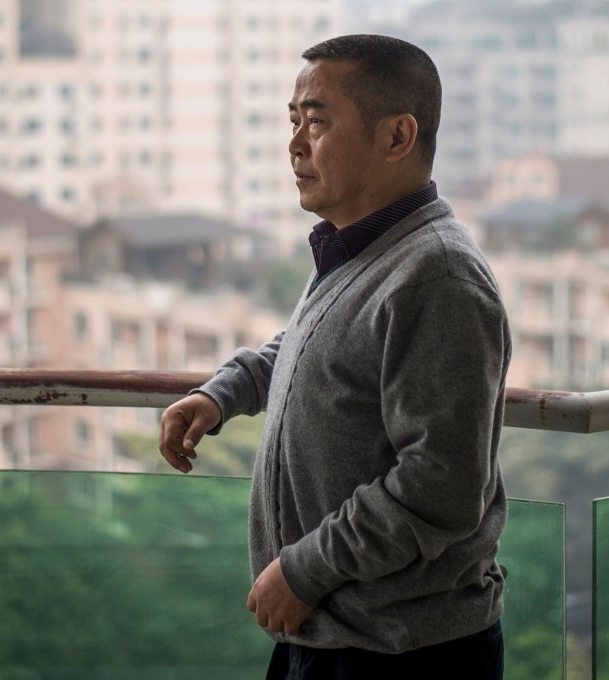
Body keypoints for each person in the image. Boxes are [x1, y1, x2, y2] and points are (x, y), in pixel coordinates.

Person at [158, 34, 512, 680]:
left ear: (398, 137)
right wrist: (224, 392)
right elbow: (312, 345)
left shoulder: (437, 277)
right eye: (293, 122)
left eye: (316, 122)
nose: (294, 145)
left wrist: (303, 569)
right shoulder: (363, 249)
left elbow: (442, 484)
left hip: (401, 655)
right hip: (336, 632)